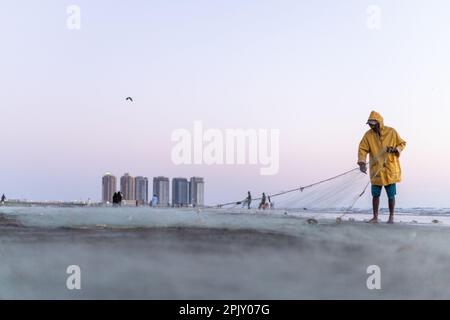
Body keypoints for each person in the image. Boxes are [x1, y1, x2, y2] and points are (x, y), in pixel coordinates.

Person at [358, 111, 406, 224]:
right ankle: (375, 217)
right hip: (376, 170)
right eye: (370, 124)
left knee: (391, 195)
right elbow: (362, 149)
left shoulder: (391, 131)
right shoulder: (368, 135)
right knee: (375, 194)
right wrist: (362, 162)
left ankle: (391, 217)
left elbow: (402, 143)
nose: (371, 126)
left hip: (390, 168)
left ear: (379, 122)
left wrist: (395, 149)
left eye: (373, 124)